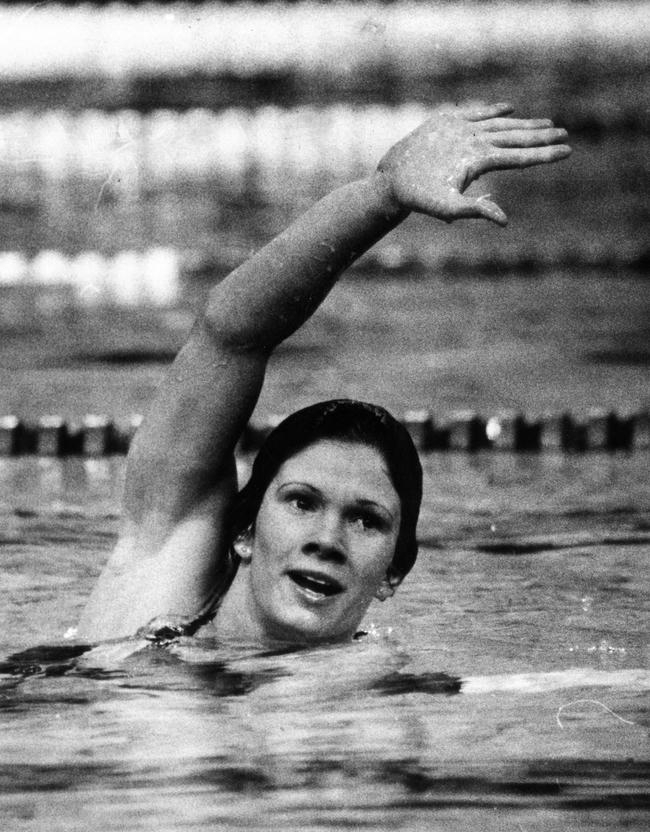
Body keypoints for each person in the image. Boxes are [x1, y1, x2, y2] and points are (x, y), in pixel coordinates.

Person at [77, 102, 570, 647]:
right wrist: (382, 196)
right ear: (244, 531)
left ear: (393, 573)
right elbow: (230, 333)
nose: (327, 541)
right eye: (302, 502)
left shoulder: (375, 701)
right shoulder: (155, 590)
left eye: (366, 520)